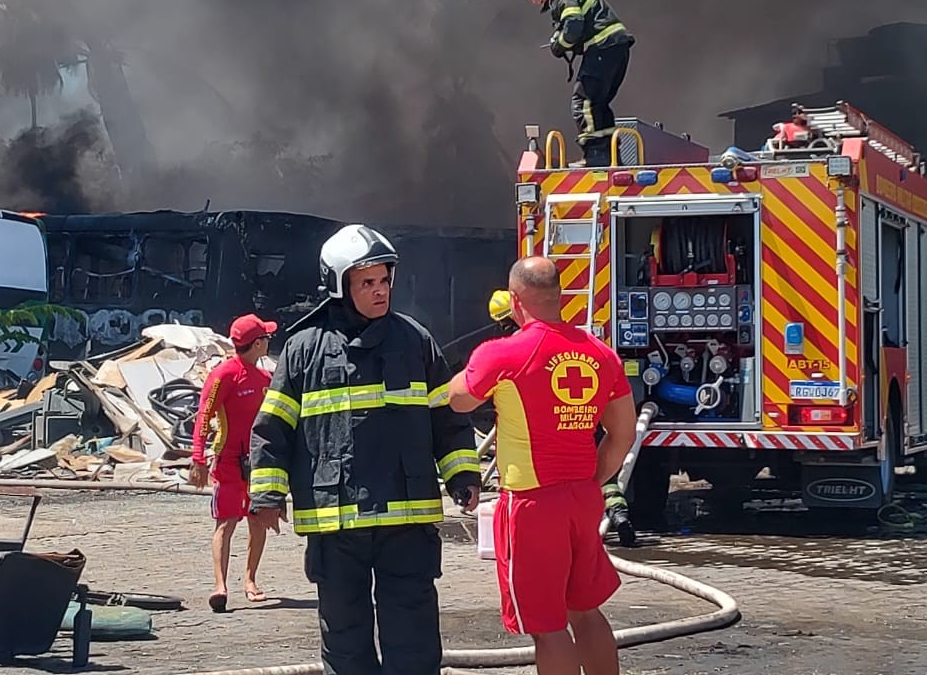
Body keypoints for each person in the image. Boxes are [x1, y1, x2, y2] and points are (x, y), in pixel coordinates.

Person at [248, 223, 482, 675]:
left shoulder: (415, 340)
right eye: (366, 283)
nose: (380, 291)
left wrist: (463, 475)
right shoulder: (303, 350)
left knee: (413, 643)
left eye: (384, 280)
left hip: (406, 523)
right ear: (339, 286)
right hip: (336, 525)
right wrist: (266, 496)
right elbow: (273, 426)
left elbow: (447, 418)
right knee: (346, 644)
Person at [449, 256, 637, 675]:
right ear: (559, 296)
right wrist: (592, 479)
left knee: (547, 628)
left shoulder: (503, 353)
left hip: (531, 506)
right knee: (585, 611)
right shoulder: (602, 355)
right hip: (583, 498)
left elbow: (460, 399)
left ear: (515, 300)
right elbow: (622, 435)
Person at [488, 289, 637, 547]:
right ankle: (618, 513)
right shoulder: (575, 342)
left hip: (547, 450)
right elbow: (623, 433)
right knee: (604, 476)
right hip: (588, 419)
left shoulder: (513, 349)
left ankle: (612, 514)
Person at [188, 313, 278, 613]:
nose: (269, 341)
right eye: (265, 337)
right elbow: (204, 414)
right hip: (228, 460)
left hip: (259, 463)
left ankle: (250, 580)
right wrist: (198, 458)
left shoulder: (267, 378)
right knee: (226, 522)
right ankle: (220, 586)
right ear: (255, 344)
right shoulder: (225, 375)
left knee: (258, 520)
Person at [524, 0, 635, 167]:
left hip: (603, 47)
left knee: (583, 102)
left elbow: (574, 24)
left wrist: (560, 44)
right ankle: (611, 156)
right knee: (598, 104)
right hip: (615, 48)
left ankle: (596, 156)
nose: (534, 2)